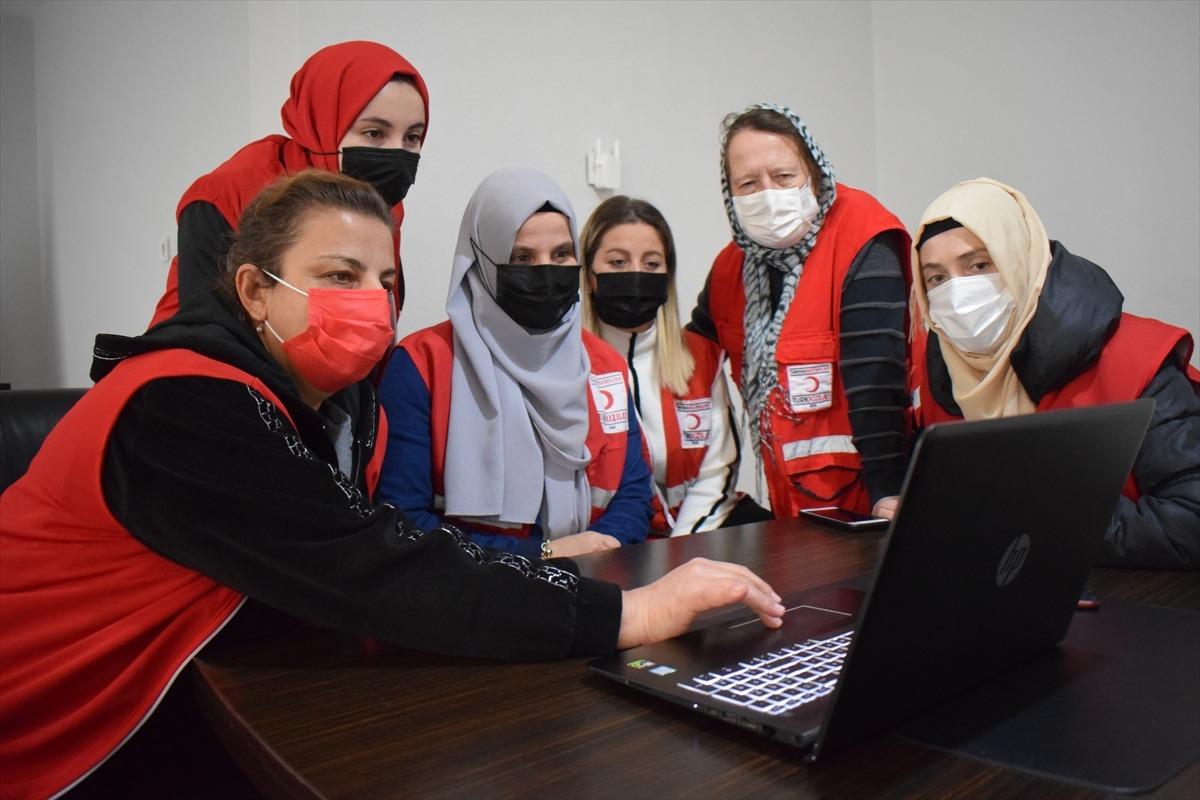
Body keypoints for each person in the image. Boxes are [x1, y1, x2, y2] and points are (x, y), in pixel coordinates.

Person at [0, 171, 785, 799]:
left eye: (383, 279)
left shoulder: (309, 402)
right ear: (253, 292)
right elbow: (377, 559)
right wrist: (634, 610)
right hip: (52, 728)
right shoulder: (182, 401)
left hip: (170, 691)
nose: (371, 302)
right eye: (338, 275)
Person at [909, 177, 1200, 569]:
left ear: (1021, 261)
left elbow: (1190, 522)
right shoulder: (943, 375)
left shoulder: (1136, 359)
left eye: (979, 265)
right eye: (937, 279)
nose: (957, 295)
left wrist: (1034, 520)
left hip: (1139, 607)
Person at [377, 169, 656, 559]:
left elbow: (634, 491)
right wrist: (543, 554)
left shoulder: (603, 365)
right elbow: (402, 520)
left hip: (595, 583)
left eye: (561, 254)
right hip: (470, 598)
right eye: (521, 257)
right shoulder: (423, 363)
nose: (545, 271)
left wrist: (600, 545)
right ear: (482, 263)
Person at [688, 104, 911, 523]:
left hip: (867, 503)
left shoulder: (862, 238)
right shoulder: (731, 268)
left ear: (814, 173)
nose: (767, 193)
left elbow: (877, 380)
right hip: (789, 505)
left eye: (783, 177)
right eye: (748, 183)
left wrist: (889, 491)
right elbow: (689, 353)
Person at [147, 40, 429, 326]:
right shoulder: (228, 193)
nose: (397, 153)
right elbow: (206, 327)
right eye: (374, 133)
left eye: (412, 137)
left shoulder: (382, 205)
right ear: (322, 121)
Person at [579, 195, 740, 534]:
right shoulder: (567, 366)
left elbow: (716, 473)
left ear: (667, 276)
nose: (636, 274)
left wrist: (683, 550)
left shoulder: (701, 356)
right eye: (618, 262)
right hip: (611, 546)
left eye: (651, 264)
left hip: (698, 538)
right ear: (590, 276)